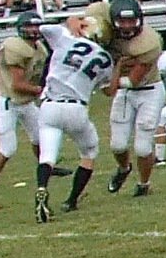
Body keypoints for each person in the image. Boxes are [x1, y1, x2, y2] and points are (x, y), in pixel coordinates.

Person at [32, 15, 114, 222]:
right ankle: (71, 199)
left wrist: (70, 22)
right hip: (76, 108)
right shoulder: (106, 59)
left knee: (47, 156)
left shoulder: (64, 38)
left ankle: (42, 188)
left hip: (49, 105)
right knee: (89, 152)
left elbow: (42, 28)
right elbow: (108, 90)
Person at [102, 0, 165, 198]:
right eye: (122, 21)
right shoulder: (108, 34)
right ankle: (123, 169)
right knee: (117, 145)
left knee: (142, 146)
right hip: (126, 93)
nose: (127, 26)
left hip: (148, 90)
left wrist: (112, 76)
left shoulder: (148, 41)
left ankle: (143, 183)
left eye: (131, 21)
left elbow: (132, 80)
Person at [0, 10, 50, 190]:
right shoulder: (15, 47)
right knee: (8, 148)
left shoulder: (40, 48)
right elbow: (17, 85)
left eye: (36, 26)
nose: (34, 30)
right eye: (29, 26)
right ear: (20, 29)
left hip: (26, 102)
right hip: (9, 102)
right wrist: (42, 90)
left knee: (41, 137)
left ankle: (46, 168)